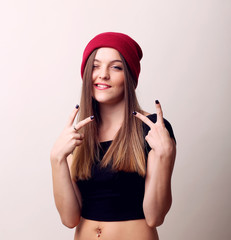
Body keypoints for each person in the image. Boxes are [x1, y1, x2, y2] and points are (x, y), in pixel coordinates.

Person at [50, 32, 176, 240]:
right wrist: (57, 160)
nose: (103, 75)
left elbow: (155, 217)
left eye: (115, 67)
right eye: (96, 66)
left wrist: (164, 156)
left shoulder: (152, 129)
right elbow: (69, 219)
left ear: (129, 75)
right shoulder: (79, 134)